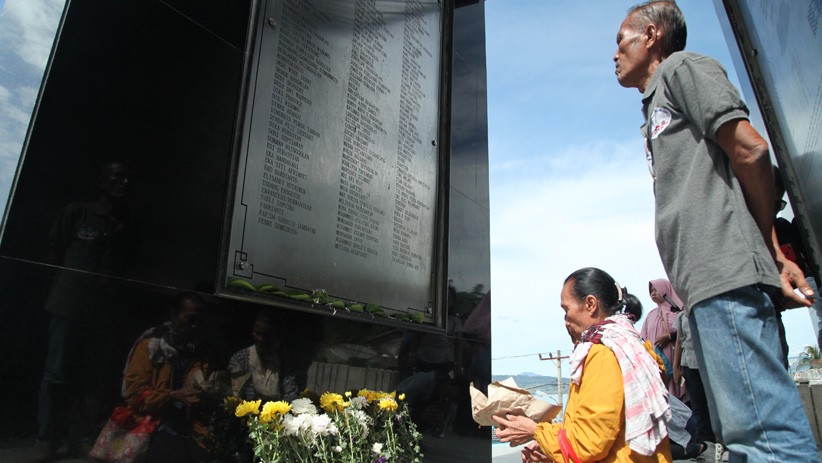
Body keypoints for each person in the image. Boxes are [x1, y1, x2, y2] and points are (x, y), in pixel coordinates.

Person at [613, 1, 817, 460]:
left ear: (651, 36)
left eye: (620, 40)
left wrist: (770, 252)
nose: (614, 54)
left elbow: (750, 151)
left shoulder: (683, 69)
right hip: (704, 288)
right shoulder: (654, 107)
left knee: (765, 439)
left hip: (725, 274)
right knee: (743, 440)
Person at [493, 267, 672, 463]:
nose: (565, 321)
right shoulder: (629, 346)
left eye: (566, 309)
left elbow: (588, 444)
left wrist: (535, 431)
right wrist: (551, 448)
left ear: (590, 304)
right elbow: (601, 434)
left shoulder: (604, 353)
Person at [121, 292, 212, 462]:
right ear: (173, 315)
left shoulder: (199, 349)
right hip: (153, 423)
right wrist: (172, 396)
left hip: (188, 424)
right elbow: (134, 394)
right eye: (190, 318)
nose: (194, 325)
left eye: (198, 320)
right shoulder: (151, 345)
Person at [671, 308, 715, 454]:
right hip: (689, 363)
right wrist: (676, 367)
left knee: (715, 403)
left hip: (710, 362)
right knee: (698, 406)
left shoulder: (707, 309)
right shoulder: (682, 315)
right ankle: (706, 443)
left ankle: (722, 439)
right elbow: (679, 342)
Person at [228, 311, 297, 402]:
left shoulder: (282, 359)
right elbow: (237, 396)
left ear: (274, 336)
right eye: (257, 333)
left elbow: (290, 393)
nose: (261, 339)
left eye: (266, 335)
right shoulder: (240, 360)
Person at [641, 279, 683, 399]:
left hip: (677, 358)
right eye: (651, 291)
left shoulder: (677, 310)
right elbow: (644, 339)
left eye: (656, 290)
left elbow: (685, 331)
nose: (653, 293)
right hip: (660, 362)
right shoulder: (650, 316)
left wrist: (669, 337)